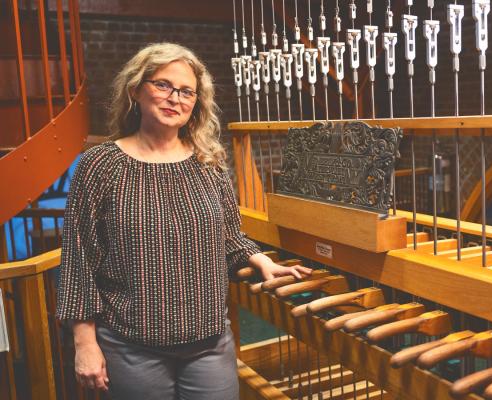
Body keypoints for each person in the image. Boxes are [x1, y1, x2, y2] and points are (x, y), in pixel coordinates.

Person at [56, 42, 311, 399]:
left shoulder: (209, 162)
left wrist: (261, 260)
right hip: (132, 346)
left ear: (196, 103)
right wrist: (85, 344)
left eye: (187, 91)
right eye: (163, 85)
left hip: (209, 342)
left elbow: (229, 236)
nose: (175, 97)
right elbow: (79, 260)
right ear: (135, 90)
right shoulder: (100, 165)